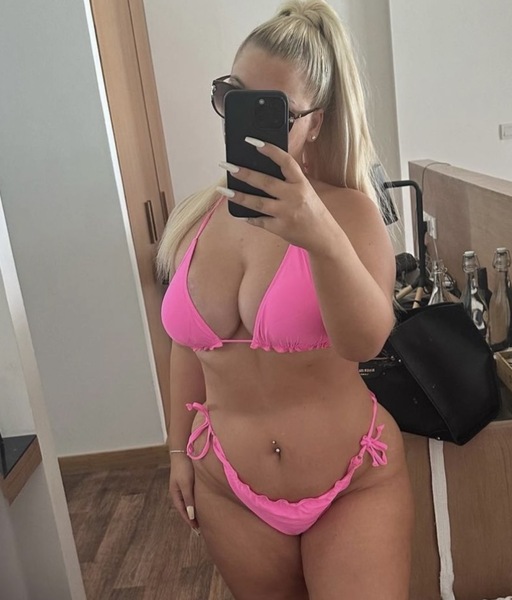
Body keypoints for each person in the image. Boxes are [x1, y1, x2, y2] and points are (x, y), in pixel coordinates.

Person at [157, 1, 413, 598]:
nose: (246, 123)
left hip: (353, 483)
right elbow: (188, 348)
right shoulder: (196, 218)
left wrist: (318, 235)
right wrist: (175, 451)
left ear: (314, 123)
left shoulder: (349, 213)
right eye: (234, 96)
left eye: (271, 110)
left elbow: (365, 341)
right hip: (226, 487)